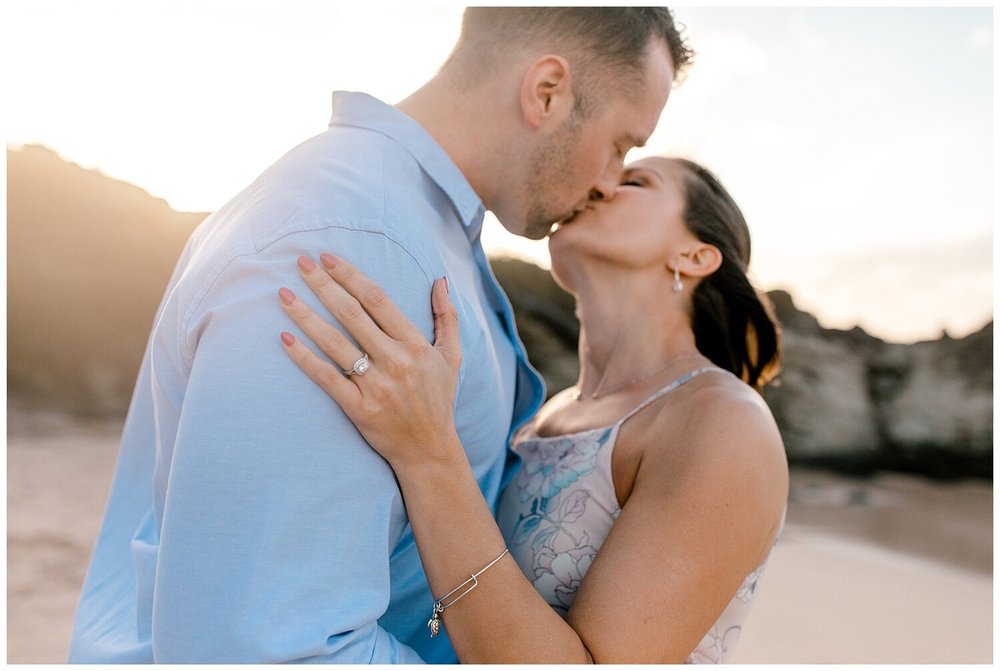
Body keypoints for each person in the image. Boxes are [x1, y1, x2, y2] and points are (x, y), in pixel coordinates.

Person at [68, 7, 692, 664]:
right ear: (546, 91)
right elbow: (268, 651)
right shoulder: (354, 242)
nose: (607, 181)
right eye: (621, 144)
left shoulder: (414, 230)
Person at [277, 155, 789, 663]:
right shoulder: (547, 415)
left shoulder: (723, 420)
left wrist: (427, 453)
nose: (601, 183)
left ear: (695, 256)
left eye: (635, 180)